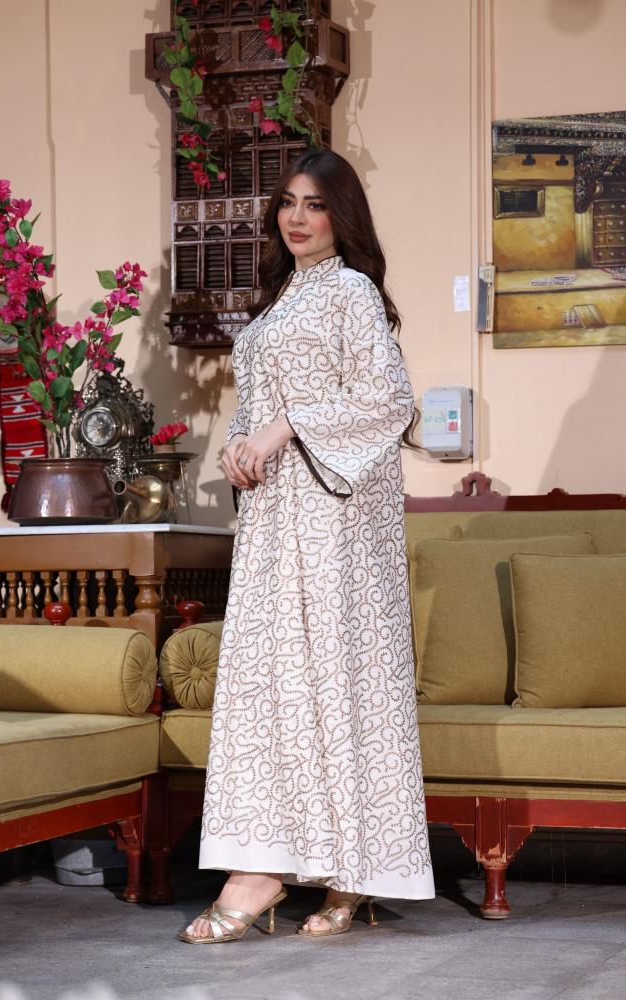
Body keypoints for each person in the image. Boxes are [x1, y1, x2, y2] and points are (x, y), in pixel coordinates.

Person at [179, 148, 435, 945]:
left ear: (341, 215)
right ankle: (294, 864)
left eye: (315, 204)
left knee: (325, 675)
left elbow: (387, 399)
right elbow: (261, 403)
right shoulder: (280, 299)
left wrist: (284, 428)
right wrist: (239, 444)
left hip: (333, 519)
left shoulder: (350, 290)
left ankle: (313, 871)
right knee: (271, 684)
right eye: (288, 201)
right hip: (274, 513)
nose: (296, 217)